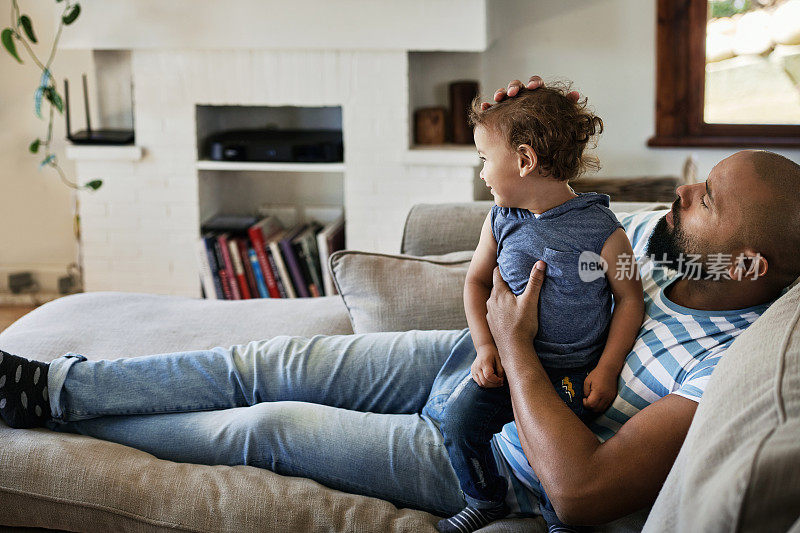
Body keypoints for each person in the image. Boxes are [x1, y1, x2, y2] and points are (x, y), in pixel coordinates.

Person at [1, 76, 799, 529]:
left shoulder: (721, 364)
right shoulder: (660, 248)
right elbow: (550, 199)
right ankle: (57, 388)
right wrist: (518, 117)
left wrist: (514, 349)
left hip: (489, 446)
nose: (683, 188)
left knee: (265, 425)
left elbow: (580, 490)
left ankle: (72, 419)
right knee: (270, 360)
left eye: (707, 199)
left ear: (749, 261)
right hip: (464, 356)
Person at [436, 84, 644, 533]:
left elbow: (630, 298)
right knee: (458, 421)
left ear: (525, 160)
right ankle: (485, 498)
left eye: (484, 160)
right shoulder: (500, 220)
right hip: (506, 365)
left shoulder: (603, 228)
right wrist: (485, 346)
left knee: (553, 452)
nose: (483, 175)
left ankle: (561, 521)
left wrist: (607, 368)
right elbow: (475, 282)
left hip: (567, 376)